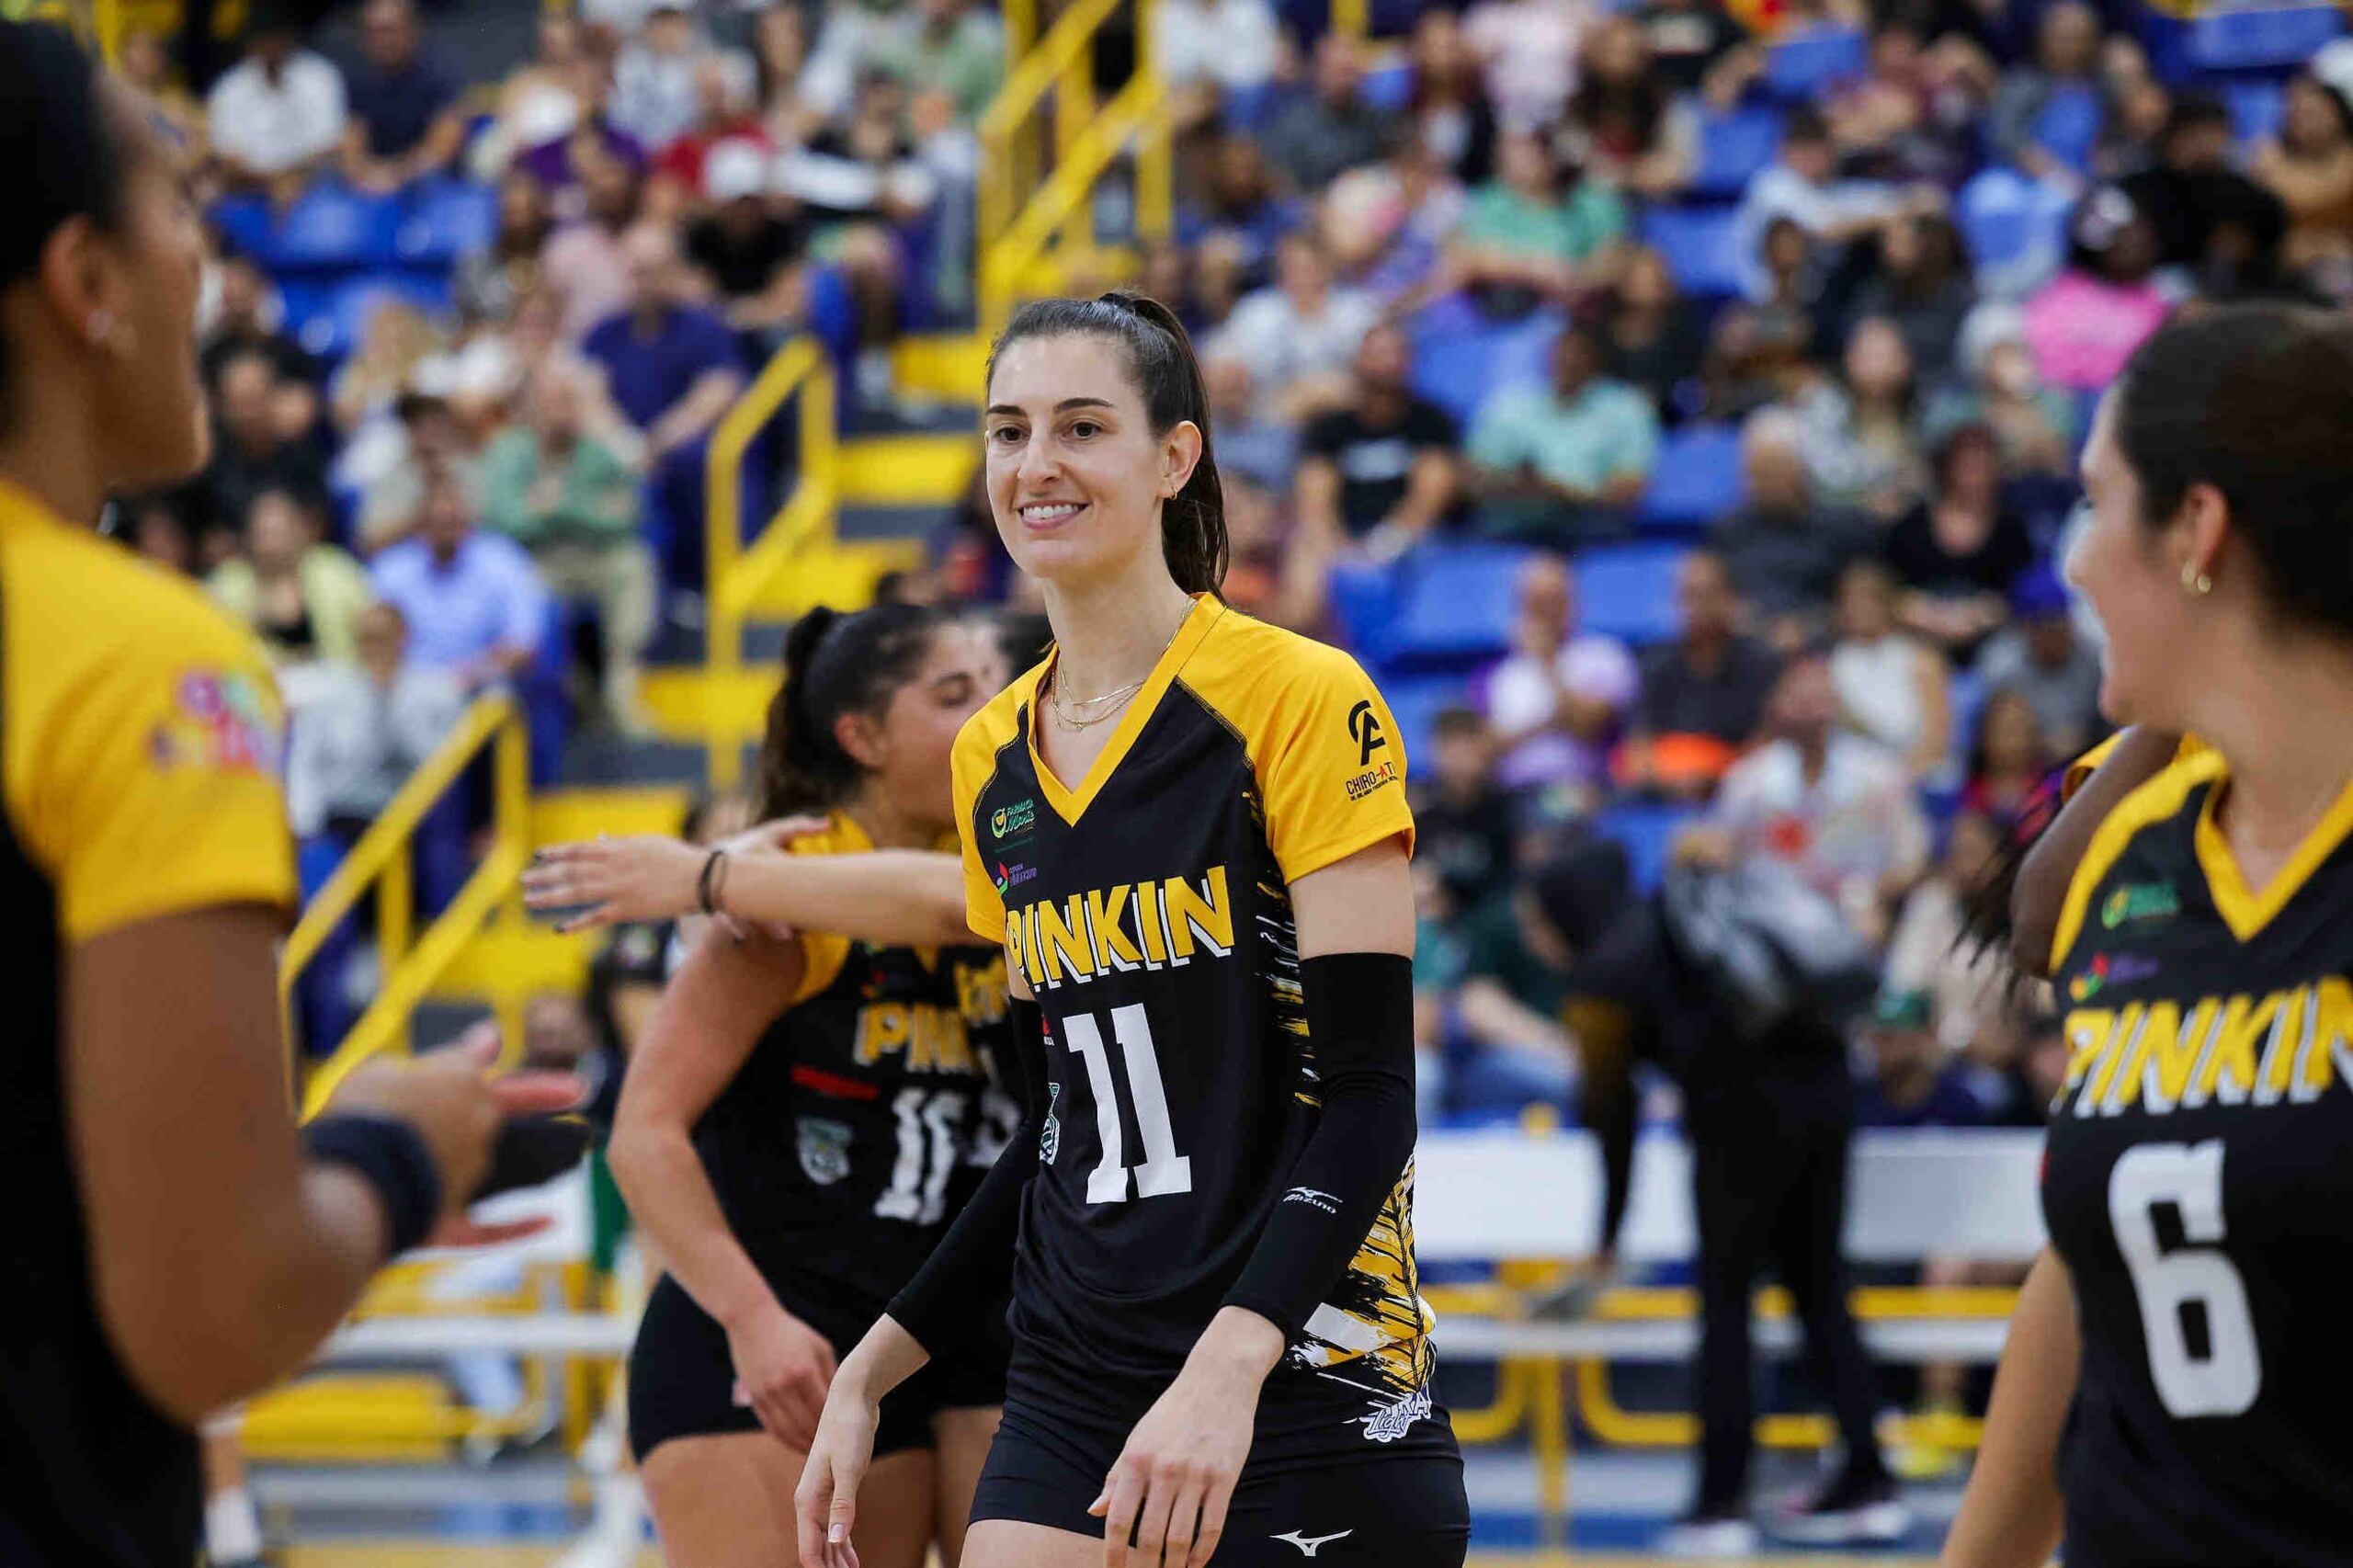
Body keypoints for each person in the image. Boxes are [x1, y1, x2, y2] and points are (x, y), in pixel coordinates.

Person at [0, 25, 574, 1565]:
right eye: (182, 205)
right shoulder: (138, 661)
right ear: (87, 282)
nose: (215, 255)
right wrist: (402, 1146)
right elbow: (209, 1311)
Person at [803, 294, 1466, 1568]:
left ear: (1176, 457)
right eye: (1008, 430)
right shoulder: (992, 752)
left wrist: (1231, 1362)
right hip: (1073, 1371)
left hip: (1300, 1365)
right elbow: (1066, 1118)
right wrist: (872, 1366)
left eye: (1081, 427)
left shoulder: (1300, 698)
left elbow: (1372, 1097)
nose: (1035, 463)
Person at [1943, 304, 2353, 1568]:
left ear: (2198, 529)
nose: (2069, 560)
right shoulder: (2139, 839)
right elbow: (2105, 1247)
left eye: (2096, 500)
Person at [608, 603, 1015, 1568]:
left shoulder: (1004, 866)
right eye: (954, 694)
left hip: (925, 1331)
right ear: (863, 735)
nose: (993, 709)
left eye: (996, 684)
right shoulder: (782, 888)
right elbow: (642, 1132)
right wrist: (752, 1319)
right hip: (779, 1336)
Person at [479, 357, 654, 733]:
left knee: (632, 563)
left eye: (568, 401)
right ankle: (569, 691)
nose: (563, 411)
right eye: (553, 401)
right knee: (523, 586)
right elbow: (505, 521)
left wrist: (559, 507)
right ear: (533, 408)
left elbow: (625, 518)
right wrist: (579, 511)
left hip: (590, 556)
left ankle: (621, 681)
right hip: (533, 561)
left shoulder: (595, 452)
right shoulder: (507, 453)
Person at [1466, 322, 1658, 546]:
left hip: (1590, 522)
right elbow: (1473, 477)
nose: (1567, 361)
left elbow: (1630, 489)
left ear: (1595, 360)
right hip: (1515, 518)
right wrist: (1515, 485)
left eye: (1578, 355)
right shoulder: (1509, 406)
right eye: (1561, 354)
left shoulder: (1627, 408)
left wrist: (1567, 494)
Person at [369, 470, 551, 694]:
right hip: (405, 688)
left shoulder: (504, 562)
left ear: (468, 517)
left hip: (482, 687)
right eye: (436, 520)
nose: (444, 527)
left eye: (452, 520)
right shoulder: (392, 568)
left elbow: (522, 646)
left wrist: (468, 676)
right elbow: (371, 642)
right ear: (419, 521)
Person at [205, 485, 374, 671]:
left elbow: (372, 624)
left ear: (301, 531)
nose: (272, 545)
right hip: (262, 688)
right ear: (248, 537)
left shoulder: (336, 570)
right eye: (264, 534)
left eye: (280, 533)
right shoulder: (228, 584)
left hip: (338, 682)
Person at [337, 0, 464, 193]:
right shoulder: (356, 80)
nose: (382, 40)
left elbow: (443, 147)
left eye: (389, 30)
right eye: (373, 32)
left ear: (413, 30)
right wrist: (368, 176)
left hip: (431, 184)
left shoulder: (440, 74)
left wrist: (395, 176)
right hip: (371, 184)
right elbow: (350, 147)